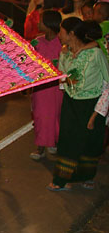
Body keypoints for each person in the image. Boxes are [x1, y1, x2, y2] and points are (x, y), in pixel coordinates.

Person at [50, 20, 109, 191]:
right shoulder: (65, 53)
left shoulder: (96, 54)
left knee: (89, 142)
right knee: (68, 140)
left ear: (72, 34)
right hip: (71, 102)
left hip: (91, 104)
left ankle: (87, 176)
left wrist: (98, 112)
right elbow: (62, 78)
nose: (59, 35)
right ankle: (61, 179)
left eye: (61, 32)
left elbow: (108, 80)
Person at [30, 10, 63, 160]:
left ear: (49, 25)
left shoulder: (62, 43)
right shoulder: (38, 42)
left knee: (55, 115)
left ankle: (52, 142)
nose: (38, 23)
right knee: (41, 115)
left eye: (41, 20)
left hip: (57, 87)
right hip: (41, 87)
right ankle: (41, 146)